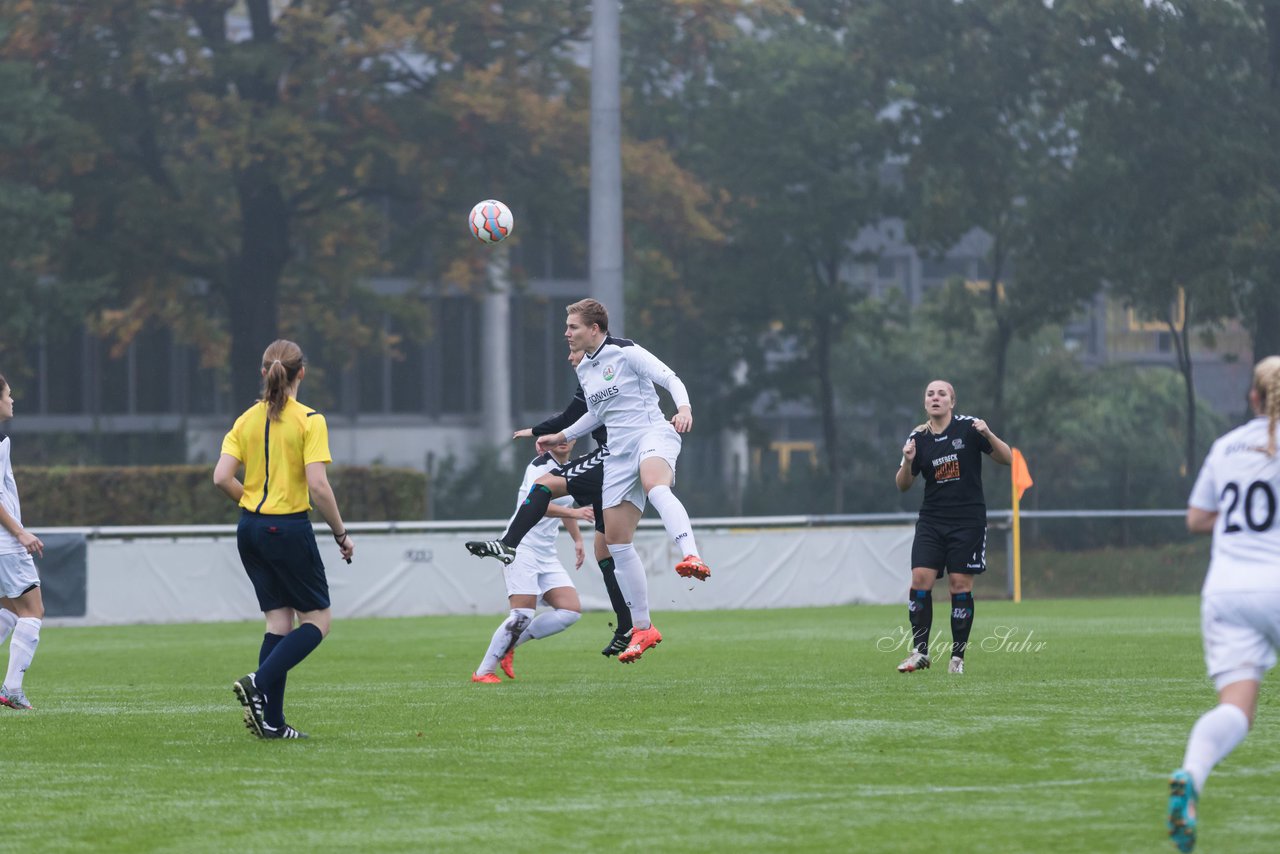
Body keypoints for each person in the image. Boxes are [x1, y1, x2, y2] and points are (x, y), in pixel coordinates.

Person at [535, 298, 710, 664]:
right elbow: (597, 414)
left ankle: (691, 554)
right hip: (618, 452)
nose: (566, 333)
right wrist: (562, 434)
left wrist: (684, 409)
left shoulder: (625, 352)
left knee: (655, 484)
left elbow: (669, 378)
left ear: (594, 329)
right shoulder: (585, 368)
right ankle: (644, 628)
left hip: (652, 434)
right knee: (616, 544)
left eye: (573, 327)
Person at [214, 339, 355, 739]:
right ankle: (257, 682)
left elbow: (221, 478)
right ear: (301, 374)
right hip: (287, 529)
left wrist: (256, 502)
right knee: (318, 621)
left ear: (264, 373)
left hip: (250, 529)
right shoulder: (310, 419)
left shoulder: (245, 420)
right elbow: (319, 487)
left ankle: (272, 723)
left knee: (278, 622)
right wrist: (341, 533)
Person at [1167, 356, 1280, 853]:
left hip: (1226, 590)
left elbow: (1196, 517)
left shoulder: (1224, 446)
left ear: (1252, 398)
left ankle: (1191, 776)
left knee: (1236, 709)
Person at [466, 348, 634, 656]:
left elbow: (575, 419)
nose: (570, 356)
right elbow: (577, 422)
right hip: (532, 549)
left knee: (575, 602)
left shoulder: (603, 379)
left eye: (575, 349)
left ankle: (632, 624)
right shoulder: (541, 466)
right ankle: (486, 669)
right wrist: (577, 534)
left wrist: (539, 431)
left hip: (620, 458)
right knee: (604, 551)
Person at [894, 379, 1011, 675]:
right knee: (920, 579)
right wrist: (908, 463)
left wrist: (989, 433)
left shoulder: (970, 427)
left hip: (967, 521)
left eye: (941, 394)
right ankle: (920, 651)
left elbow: (1007, 458)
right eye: (930, 394)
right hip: (932, 520)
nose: (935, 398)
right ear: (925, 403)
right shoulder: (917, 438)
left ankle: (957, 659)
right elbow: (903, 485)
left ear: (952, 401)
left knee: (960, 586)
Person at [472, 435, 588, 683]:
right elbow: (538, 504)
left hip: (546, 553)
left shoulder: (573, 468)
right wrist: (574, 512)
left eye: (567, 435)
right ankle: (483, 672)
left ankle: (509, 646)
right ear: (546, 441)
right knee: (522, 615)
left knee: (570, 612)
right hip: (520, 546)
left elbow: (566, 503)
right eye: (556, 436)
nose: (562, 440)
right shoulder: (538, 467)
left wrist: (577, 539)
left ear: (575, 438)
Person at [0, 374, 46, 712]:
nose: (12, 400)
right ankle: (12, 688)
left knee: (7, 610)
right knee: (33, 611)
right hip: (6, 542)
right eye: (8, 394)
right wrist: (19, 532)